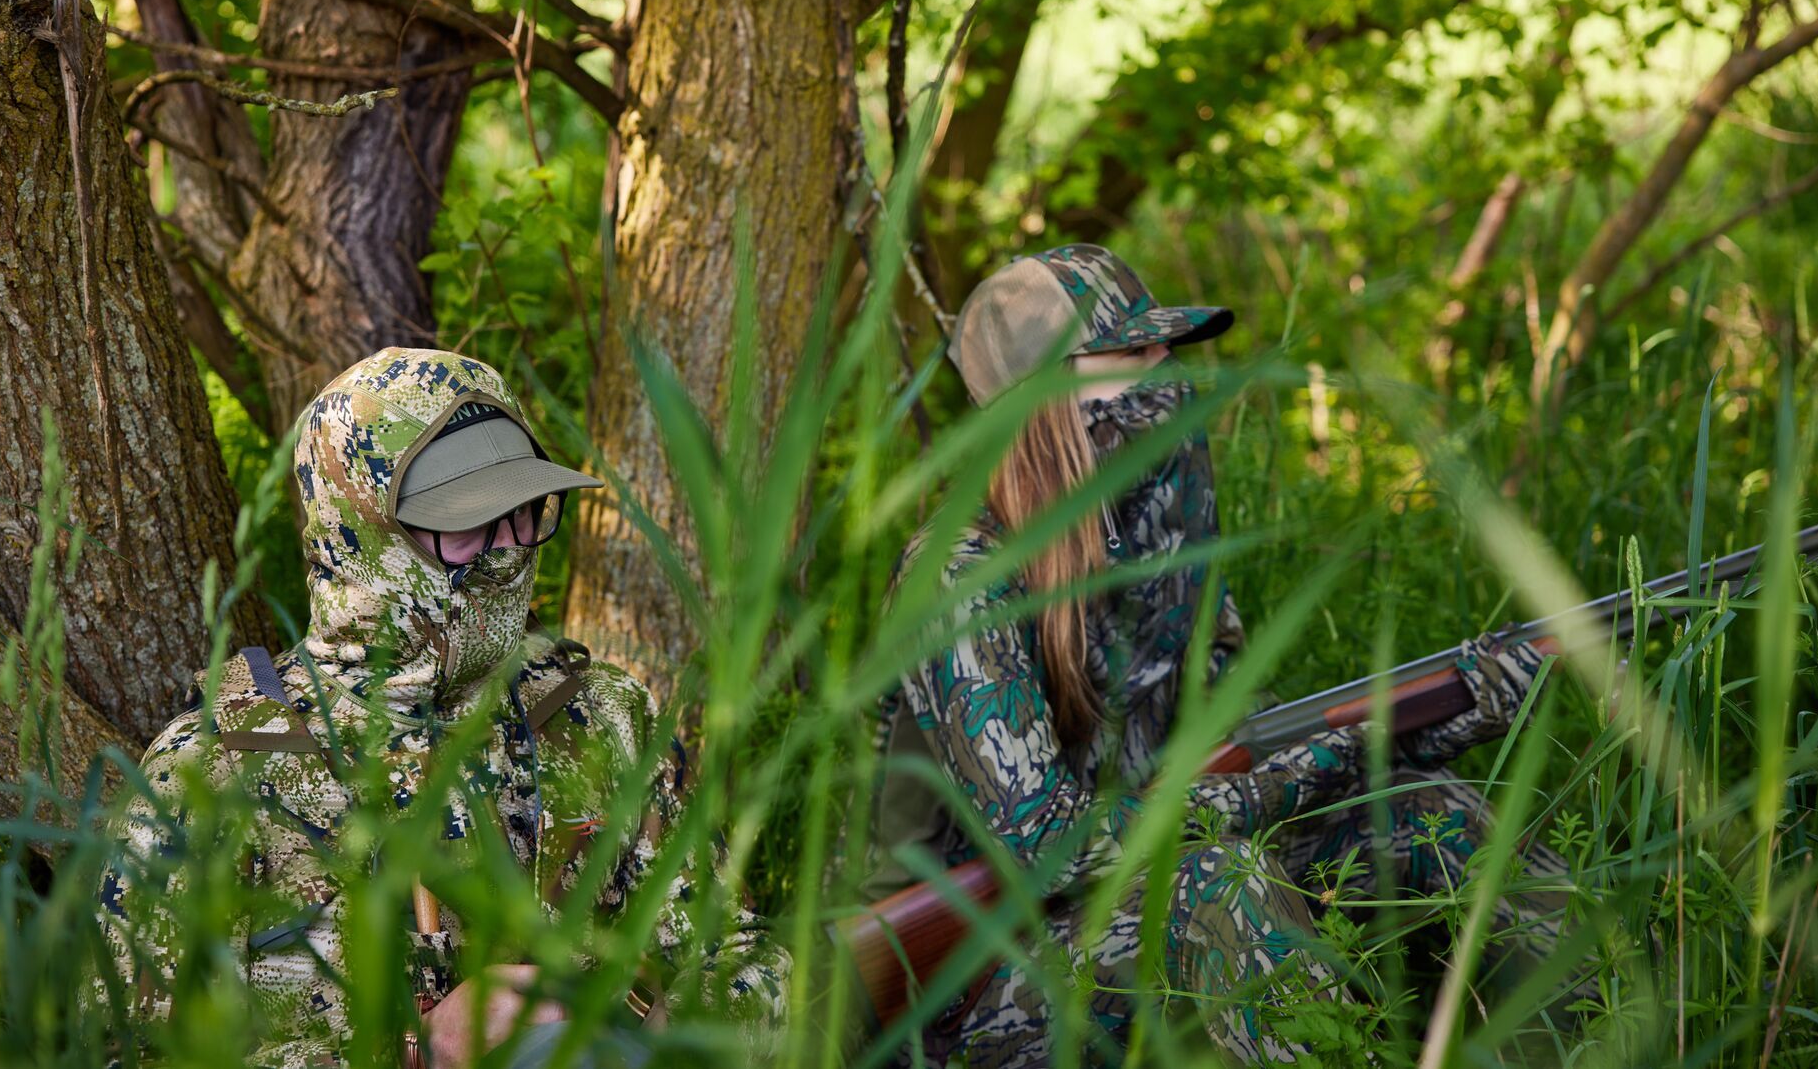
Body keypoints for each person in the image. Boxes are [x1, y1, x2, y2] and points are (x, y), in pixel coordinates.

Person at [865, 246, 1569, 1066]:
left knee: (1427, 810)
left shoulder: (1148, 536)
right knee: (1221, 884)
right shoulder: (960, 580)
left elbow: (1240, 732)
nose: (1165, 373)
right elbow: (1051, 849)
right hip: (974, 989)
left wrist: (1415, 729)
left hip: (1145, 884)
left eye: (1164, 348)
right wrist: (1292, 779)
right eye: (1131, 354)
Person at [98, 348, 786, 1068]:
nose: (511, 553)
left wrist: (630, 1033)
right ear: (364, 537)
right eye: (471, 524)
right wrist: (416, 1056)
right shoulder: (216, 772)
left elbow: (752, 965)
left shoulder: (602, 717)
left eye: (523, 513)